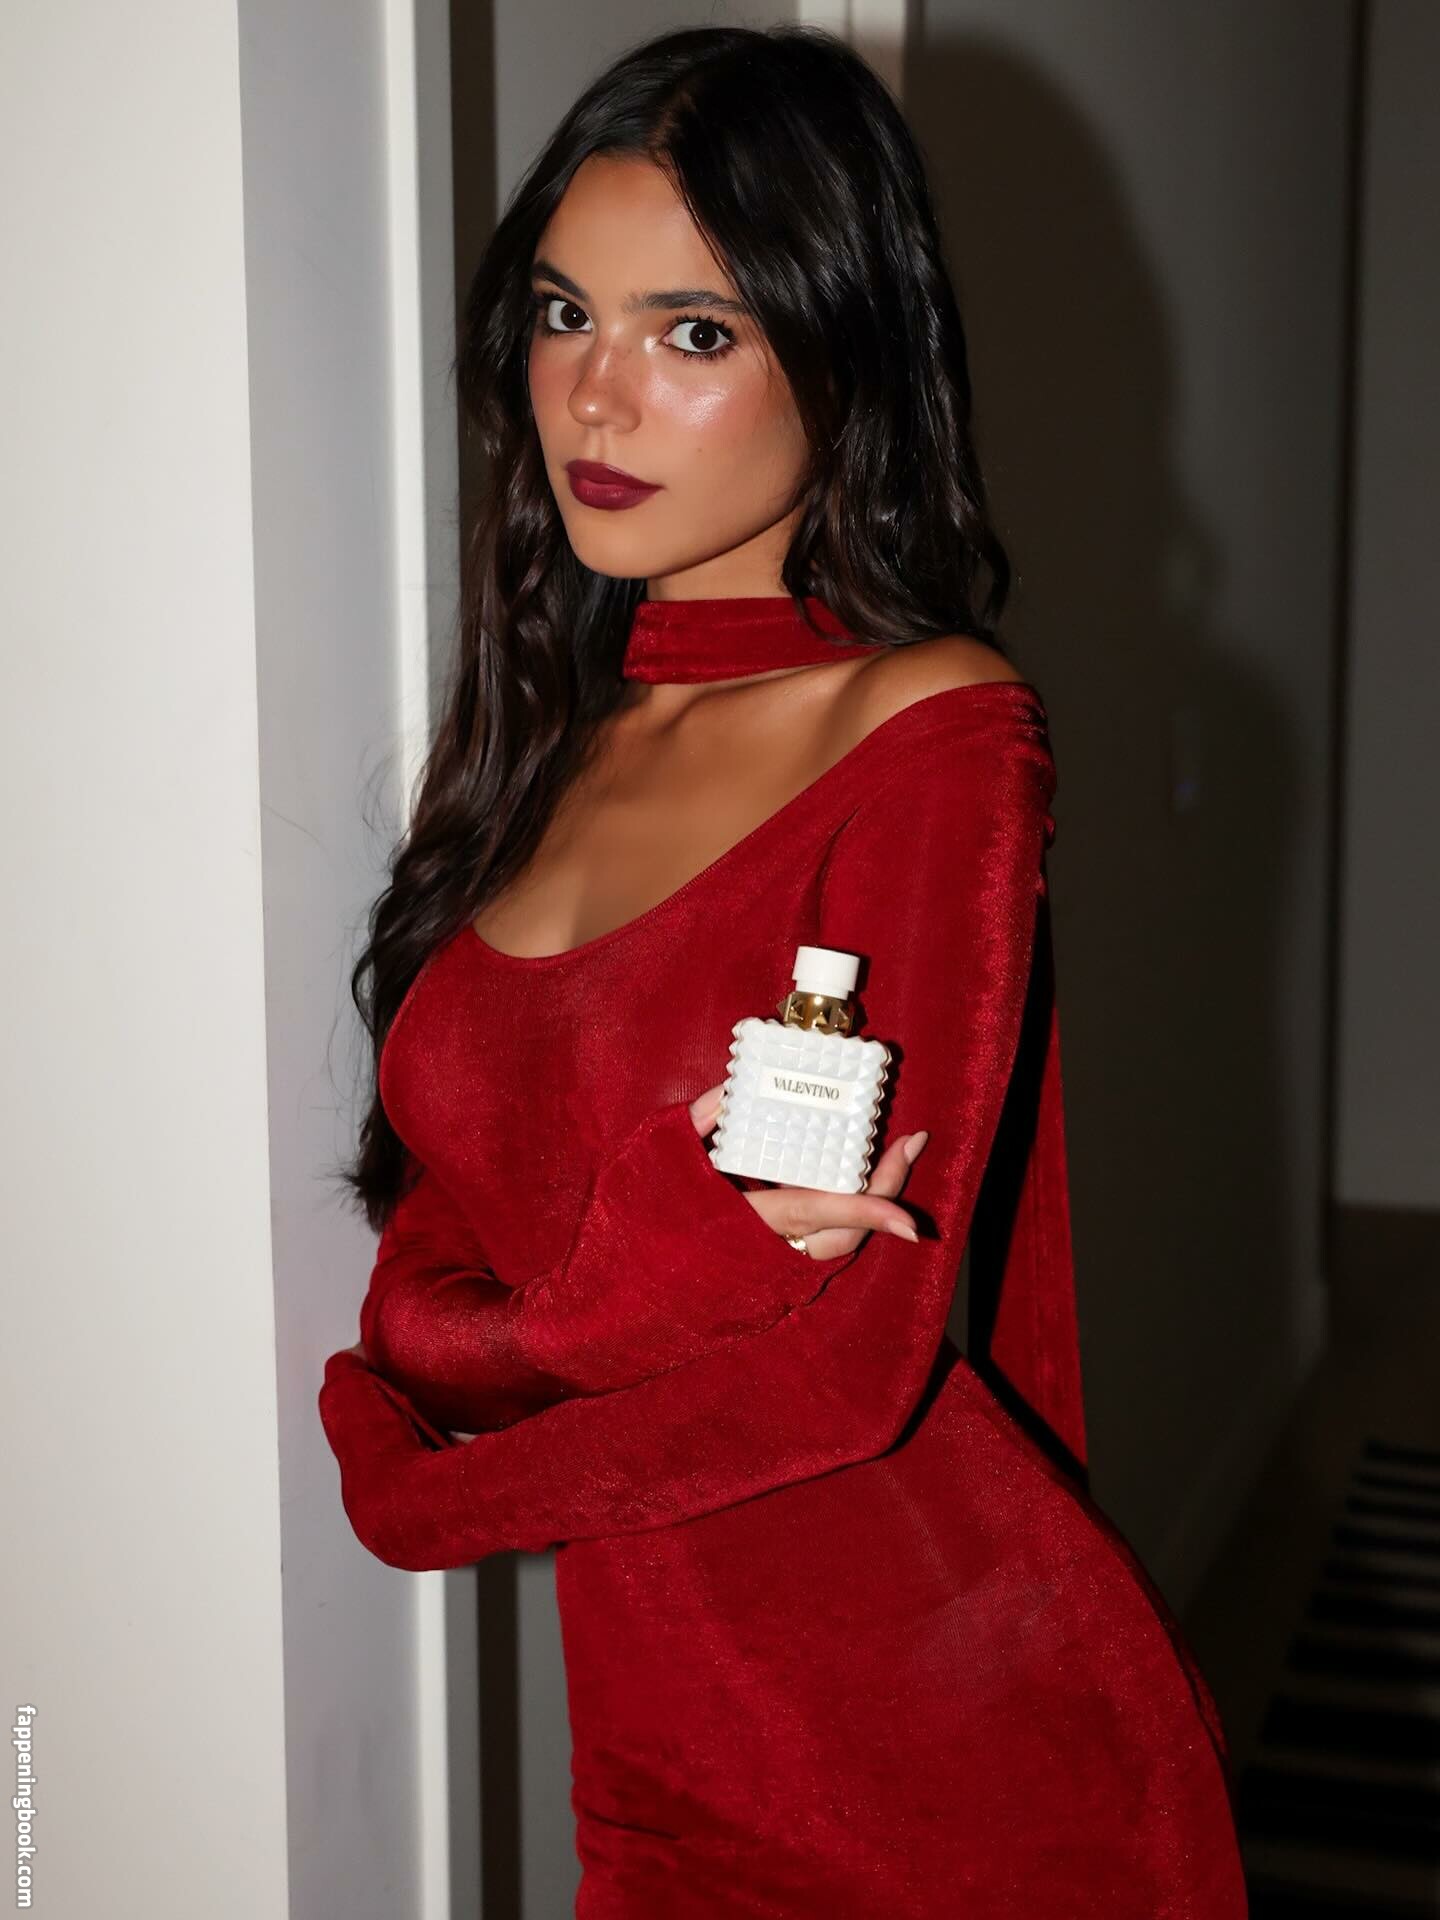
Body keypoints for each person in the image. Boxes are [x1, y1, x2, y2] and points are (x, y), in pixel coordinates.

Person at [317, 25, 1247, 1915]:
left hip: (948, 1752)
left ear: (851, 356)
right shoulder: (536, 751)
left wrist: (430, 1467)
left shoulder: (931, 733)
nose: (596, 396)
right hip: (658, 1756)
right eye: (564, 313)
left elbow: (839, 1374)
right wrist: (649, 1273)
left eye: (695, 332)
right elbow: (425, 1284)